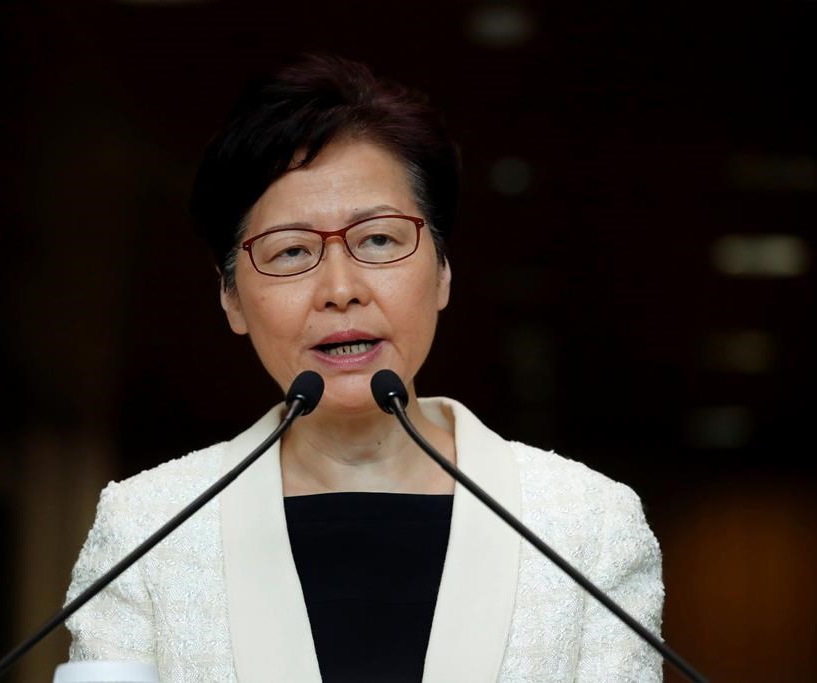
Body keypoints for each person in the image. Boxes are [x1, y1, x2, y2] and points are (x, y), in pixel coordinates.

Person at [64, 54, 664, 682]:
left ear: (443, 272)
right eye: (291, 250)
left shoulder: (585, 525)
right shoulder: (148, 526)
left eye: (378, 239)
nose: (340, 289)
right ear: (232, 298)